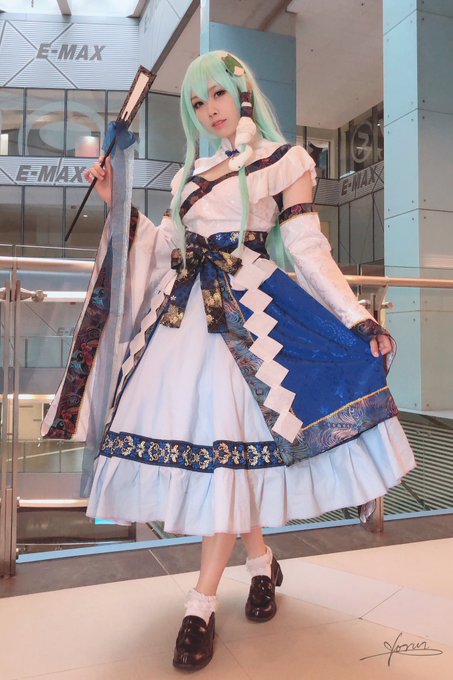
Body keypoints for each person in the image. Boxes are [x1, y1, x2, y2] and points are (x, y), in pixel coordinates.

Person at [42, 51, 415, 671]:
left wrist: (357, 317)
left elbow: (306, 246)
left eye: (216, 94)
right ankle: (261, 562)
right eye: (195, 101)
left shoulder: (285, 159)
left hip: (252, 318)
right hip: (182, 320)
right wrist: (117, 202)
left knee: (228, 453)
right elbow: (166, 248)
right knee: (230, 457)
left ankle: (200, 603)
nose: (207, 109)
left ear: (241, 94)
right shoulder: (189, 175)